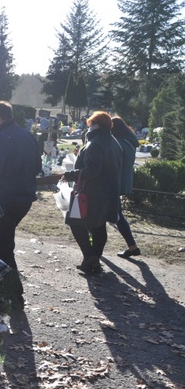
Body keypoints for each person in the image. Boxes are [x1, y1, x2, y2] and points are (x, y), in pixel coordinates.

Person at [0, 101, 42, 302]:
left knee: (3, 246)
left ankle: (15, 295)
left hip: (4, 201)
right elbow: (38, 166)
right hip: (24, 198)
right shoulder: (27, 136)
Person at [62, 111, 122, 275]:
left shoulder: (95, 143)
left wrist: (70, 175)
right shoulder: (113, 142)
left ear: (96, 125)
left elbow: (92, 171)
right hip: (108, 191)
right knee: (99, 226)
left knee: (76, 222)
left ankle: (90, 257)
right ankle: (93, 260)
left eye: (90, 124)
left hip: (90, 193)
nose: (88, 127)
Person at [111, 116, 140, 258]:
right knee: (115, 214)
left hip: (114, 182)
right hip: (123, 181)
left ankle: (132, 246)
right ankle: (132, 246)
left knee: (117, 215)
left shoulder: (119, 143)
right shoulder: (129, 141)